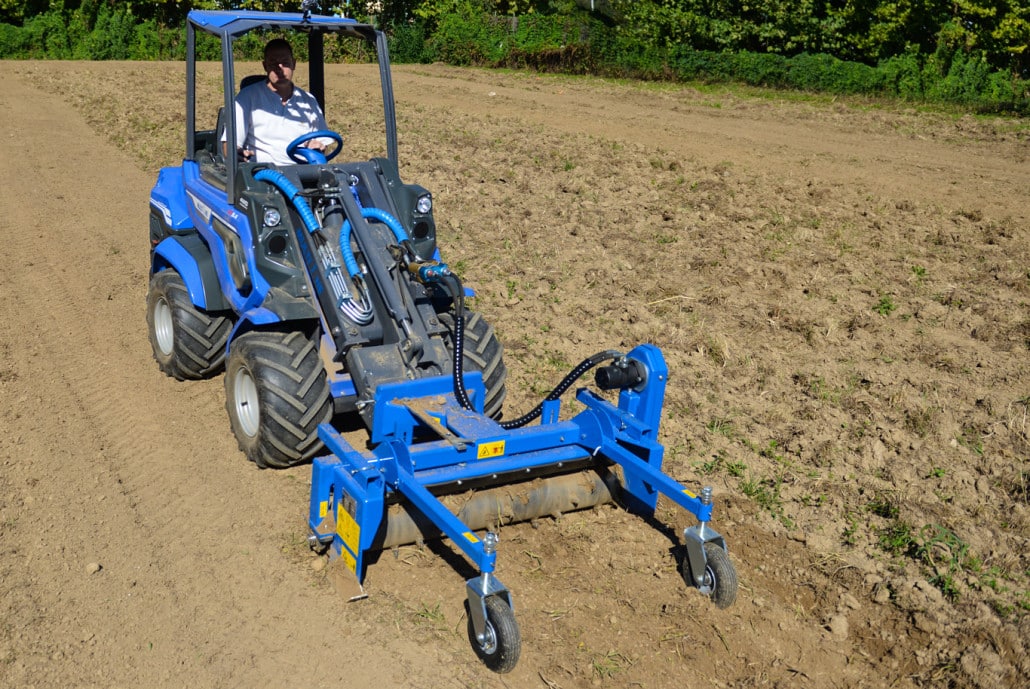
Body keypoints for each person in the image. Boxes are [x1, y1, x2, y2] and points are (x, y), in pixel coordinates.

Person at [229, 38, 332, 165]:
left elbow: (323, 142)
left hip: (303, 174)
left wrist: (317, 146)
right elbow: (229, 146)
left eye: (285, 63)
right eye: (273, 63)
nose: (280, 69)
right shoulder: (246, 98)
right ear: (265, 66)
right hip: (261, 176)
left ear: (293, 64)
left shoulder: (309, 101)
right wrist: (238, 154)